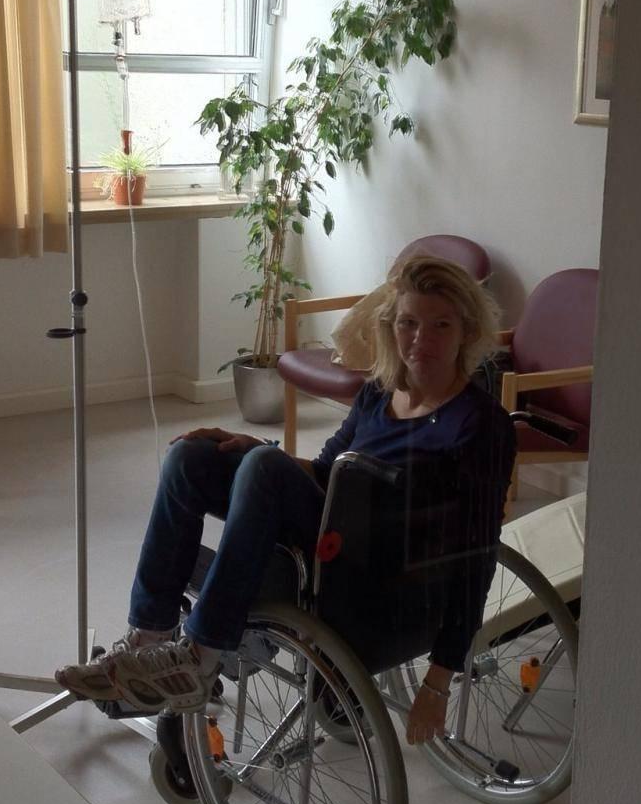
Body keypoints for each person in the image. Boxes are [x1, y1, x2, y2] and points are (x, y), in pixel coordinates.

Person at [55, 255, 516, 747]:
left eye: (440, 325)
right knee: (191, 457)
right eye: (408, 323)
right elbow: (326, 470)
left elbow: (476, 557)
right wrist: (253, 447)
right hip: (332, 534)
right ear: (391, 326)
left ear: (467, 332)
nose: (421, 339)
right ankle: (149, 639)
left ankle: (199, 656)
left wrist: (439, 680)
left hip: (381, 579)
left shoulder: (480, 425)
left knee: (266, 466)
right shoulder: (379, 394)